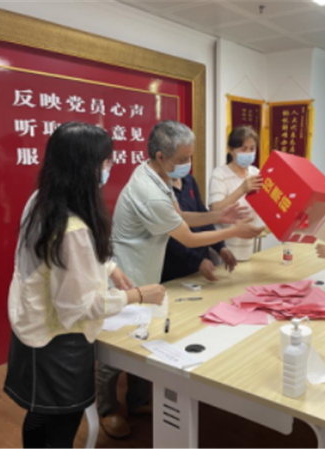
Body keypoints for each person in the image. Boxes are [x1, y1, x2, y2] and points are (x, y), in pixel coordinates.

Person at [97, 120, 263, 438]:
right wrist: (233, 230)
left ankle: (138, 401)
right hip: (127, 273)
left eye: (190, 156)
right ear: (161, 156)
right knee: (115, 348)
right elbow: (186, 237)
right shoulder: (149, 190)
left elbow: (180, 216)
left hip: (147, 271)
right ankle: (106, 409)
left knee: (143, 336)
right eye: (183, 158)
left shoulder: (158, 175)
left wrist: (218, 216)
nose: (188, 163)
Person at [3, 122, 165, 448]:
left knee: (38, 414)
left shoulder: (42, 200)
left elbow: (60, 259)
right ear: (85, 167)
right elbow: (79, 305)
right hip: (59, 342)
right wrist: (136, 295)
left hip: (32, 326)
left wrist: (111, 267)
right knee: (61, 424)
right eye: (106, 162)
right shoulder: (72, 227)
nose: (109, 168)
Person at [162, 173, 237, 283]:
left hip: (203, 266)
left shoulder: (189, 180)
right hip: (176, 269)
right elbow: (171, 235)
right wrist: (197, 262)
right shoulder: (159, 189)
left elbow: (202, 215)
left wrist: (220, 247)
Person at [209, 126, 263, 261]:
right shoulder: (220, 174)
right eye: (243, 149)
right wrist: (242, 189)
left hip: (247, 245)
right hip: (224, 246)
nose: (248, 153)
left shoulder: (255, 173)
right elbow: (215, 209)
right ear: (231, 149)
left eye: (252, 149)